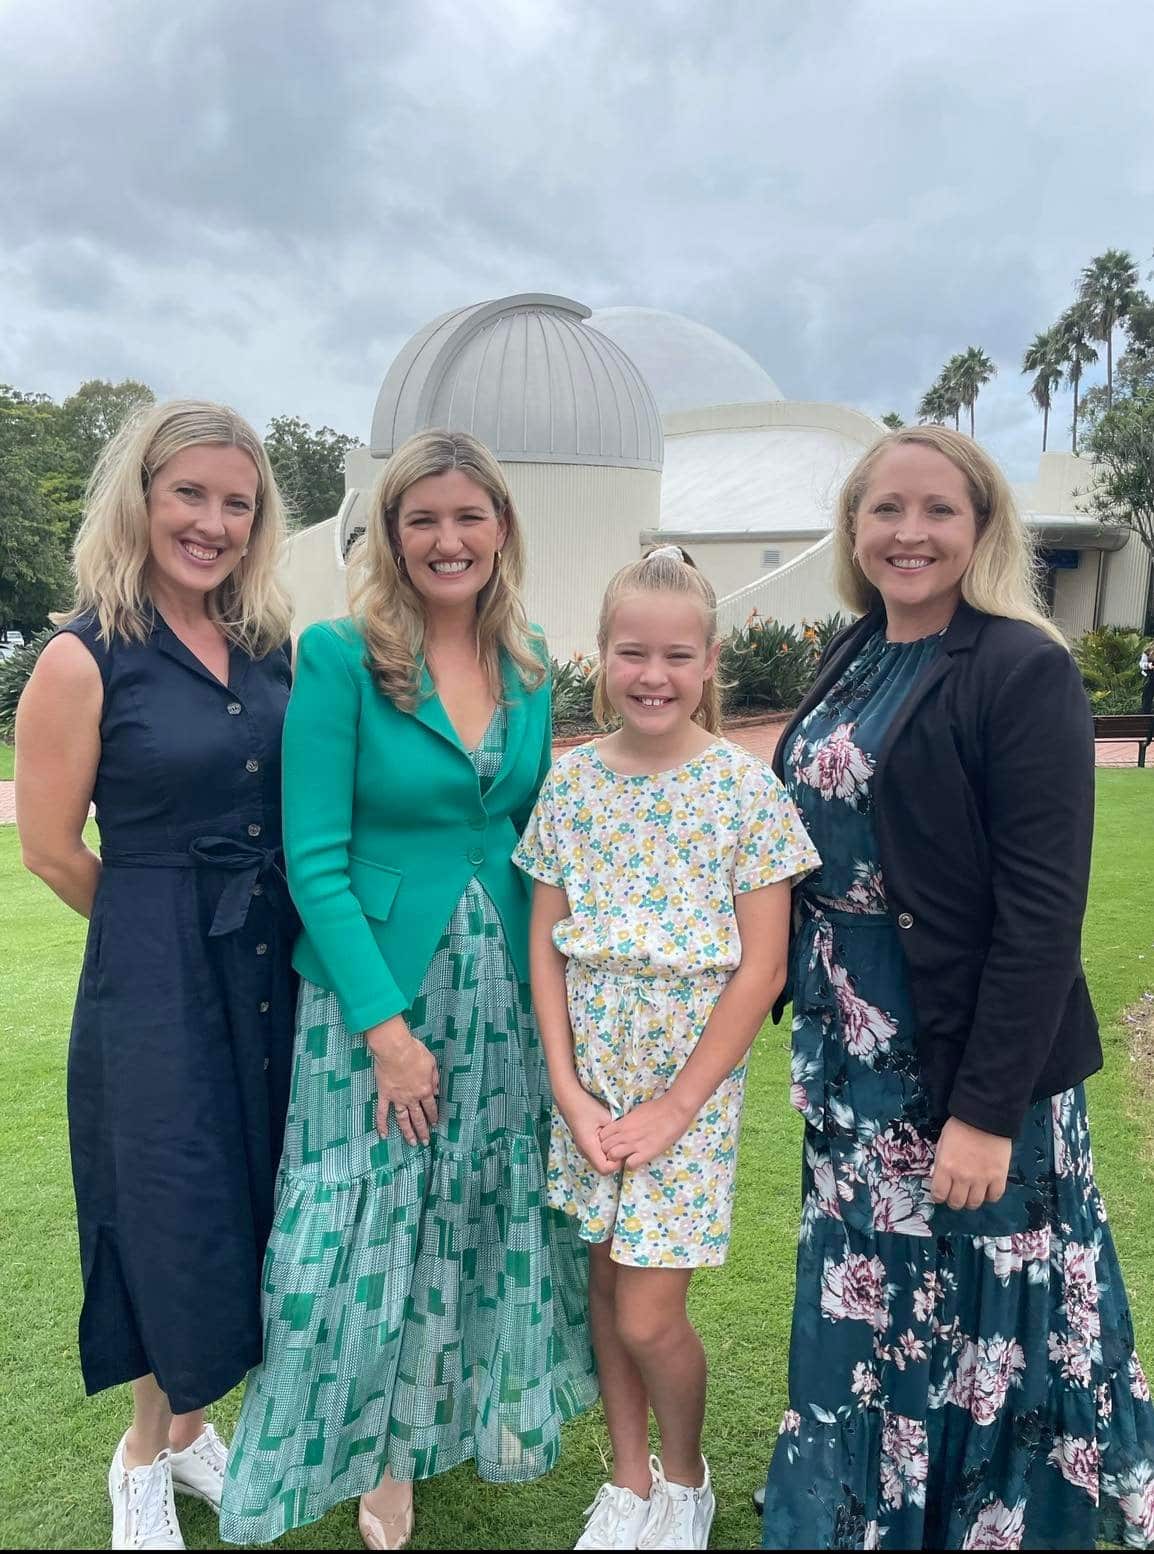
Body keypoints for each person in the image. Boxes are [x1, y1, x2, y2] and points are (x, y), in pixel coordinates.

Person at [758, 426, 1154, 1550]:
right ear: (852, 528)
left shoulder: (1020, 669)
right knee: (868, 1282)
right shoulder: (854, 650)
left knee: (981, 1298)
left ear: (981, 528)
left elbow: (1040, 919)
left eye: (937, 510)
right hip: (850, 1045)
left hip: (966, 1052)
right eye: (884, 509)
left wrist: (984, 1116)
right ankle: (865, 1497)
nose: (908, 532)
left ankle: (985, 1511)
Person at [219, 429, 596, 1549]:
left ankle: (438, 1424)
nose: (447, 539)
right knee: (353, 1222)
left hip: (507, 985)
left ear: (500, 531)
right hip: (373, 986)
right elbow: (314, 857)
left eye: (467, 517)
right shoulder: (338, 655)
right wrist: (383, 1026)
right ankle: (371, 1457)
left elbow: (529, 832)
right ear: (389, 535)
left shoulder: (528, 660)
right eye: (421, 519)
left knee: (477, 1212)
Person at [15, 400, 297, 1551]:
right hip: (156, 982)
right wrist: (155, 934)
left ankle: (194, 1436)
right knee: (166, 1207)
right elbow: (47, 846)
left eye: (237, 502)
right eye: (190, 493)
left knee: (256, 1198)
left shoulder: (274, 649)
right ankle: (143, 1454)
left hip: (276, 970)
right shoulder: (80, 657)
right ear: (140, 496)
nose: (212, 522)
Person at [514, 546, 819, 1551]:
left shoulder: (743, 791)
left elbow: (761, 968)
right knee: (602, 1286)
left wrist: (674, 1106)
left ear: (707, 662)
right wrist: (565, 1089)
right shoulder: (568, 786)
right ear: (598, 657)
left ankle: (684, 1482)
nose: (652, 674)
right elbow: (545, 949)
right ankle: (626, 1481)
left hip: (686, 1094)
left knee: (649, 1312)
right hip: (589, 1091)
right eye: (631, 652)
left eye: (674, 655)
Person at [1141, 642, 1153, 715]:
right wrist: (1148, 665)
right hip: (1150, 677)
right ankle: (1146, 715)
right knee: (1147, 697)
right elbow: (1142, 664)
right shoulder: (1148, 651)